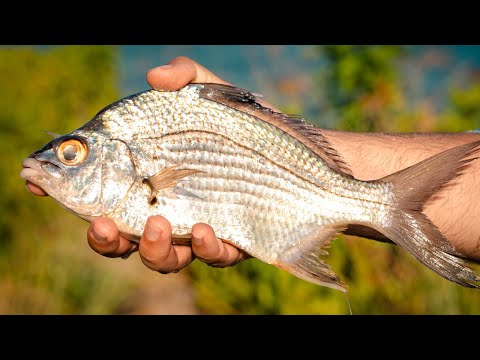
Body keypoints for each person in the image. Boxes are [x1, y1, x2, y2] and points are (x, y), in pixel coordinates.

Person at [25, 56, 480, 275]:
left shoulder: (134, 132)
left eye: (72, 154)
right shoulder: (133, 147)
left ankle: (380, 203)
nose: (54, 163)